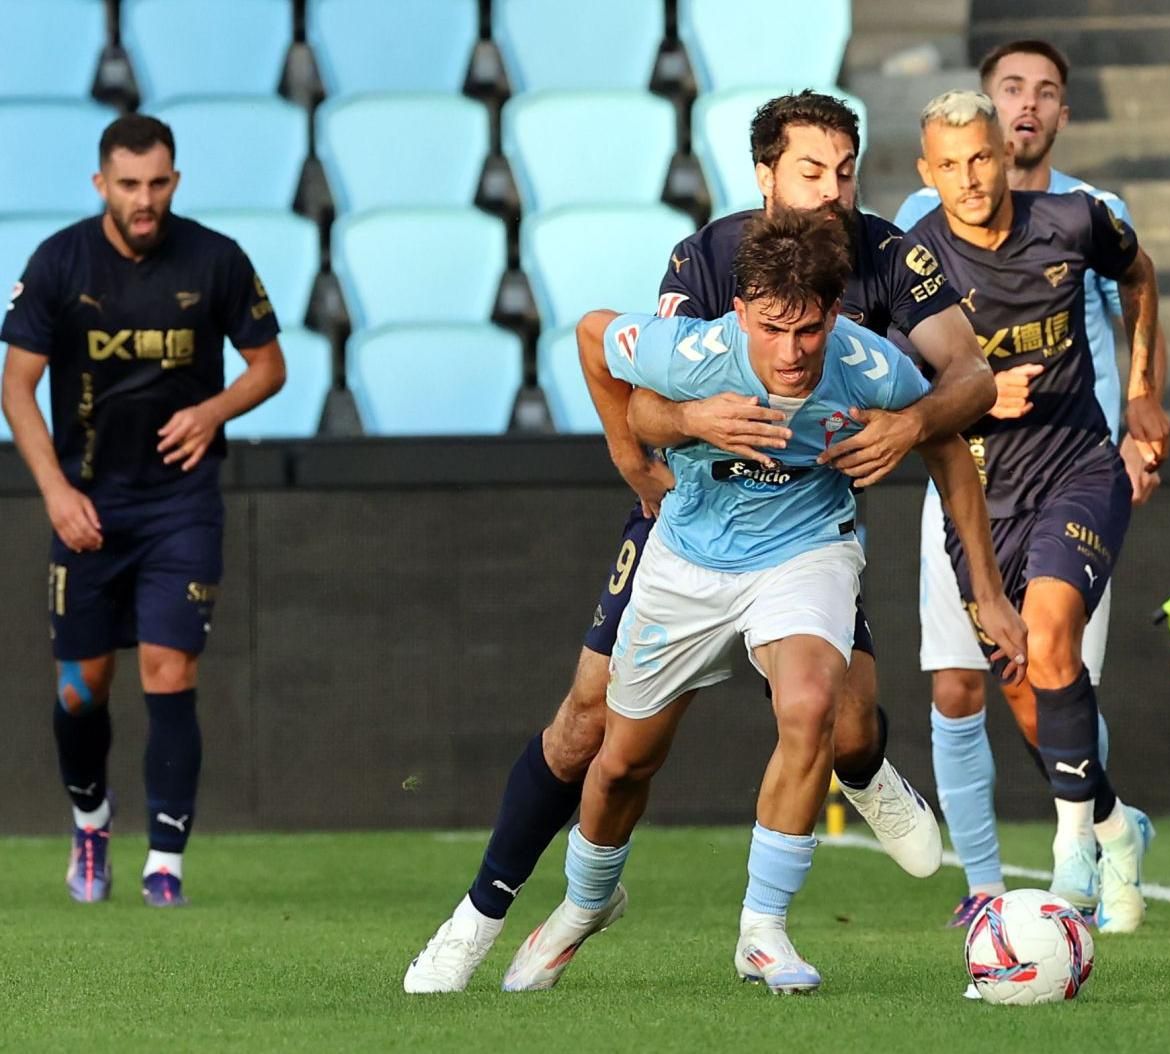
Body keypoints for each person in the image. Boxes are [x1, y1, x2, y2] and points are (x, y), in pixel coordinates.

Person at [403, 91, 994, 994]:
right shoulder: (715, 258)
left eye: (846, 171)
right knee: (591, 735)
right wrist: (658, 439)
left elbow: (969, 385)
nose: (833, 192)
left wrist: (908, 427)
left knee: (833, 718)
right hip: (690, 520)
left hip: (807, 527)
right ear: (765, 177)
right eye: (810, 172)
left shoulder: (887, 261)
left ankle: (783, 899)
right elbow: (630, 375)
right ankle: (489, 913)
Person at [502, 207, 1027, 994]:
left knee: (813, 704)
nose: (791, 353)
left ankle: (763, 929)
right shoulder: (695, 353)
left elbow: (950, 447)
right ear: (741, 312)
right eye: (773, 330)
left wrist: (984, 590)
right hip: (687, 560)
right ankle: (582, 907)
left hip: (805, 549)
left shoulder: (870, 364)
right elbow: (591, 337)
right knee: (620, 764)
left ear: (835, 314)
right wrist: (647, 449)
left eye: (809, 331)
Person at [895, 40, 1161, 930]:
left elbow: (1138, 279)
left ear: (1010, 147)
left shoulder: (1083, 216)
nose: (972, 175)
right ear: (927, 173)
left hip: (1080, 466)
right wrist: (961, 396)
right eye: (952, 163)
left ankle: (1072, 861)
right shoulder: (907, 251)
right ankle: (1113, 829)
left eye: (983, 156)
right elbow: (898, 370)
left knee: (1053, 647)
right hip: (970, 492)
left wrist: (1143, 403)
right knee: (1008, 680)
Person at [0, 114, 286, 908]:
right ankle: (91, 820)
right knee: (79, 690)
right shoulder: (59, 263)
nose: (144, 199)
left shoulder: (215, 259)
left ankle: (166, 860)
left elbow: (269, 366)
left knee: (170, 671)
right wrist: (55, 492)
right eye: (128, 185)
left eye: (157, 183)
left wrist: (213, 411)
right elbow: (15, 387)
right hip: (87, 503)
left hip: (180, 505)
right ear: (102, 185)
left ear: (175, 182)